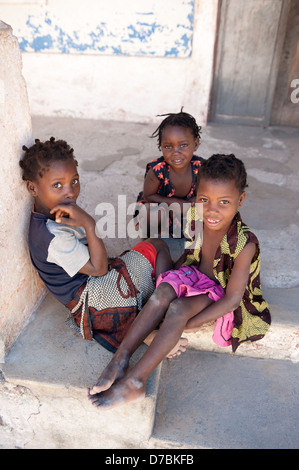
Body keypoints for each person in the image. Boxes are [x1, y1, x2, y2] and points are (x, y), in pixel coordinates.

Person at [88, 154, 271, 409]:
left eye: (224, 202)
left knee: (177, 309)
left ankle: (136, 382)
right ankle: (119, 359)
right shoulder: (197, 217)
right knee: (162, 293)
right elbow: (189, 254)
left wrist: (184, 324)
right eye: (205, 200)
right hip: (195, 276)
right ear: (197, 195)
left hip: (219, 291)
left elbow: (231, 300)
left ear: (240, 200)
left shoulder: (244, 244)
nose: (212, 210)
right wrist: (171, 282)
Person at [19, 137, 189, 355]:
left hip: (94, 281)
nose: (70, 191)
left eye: (74, 181)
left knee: (155, 248)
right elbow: (99, 270)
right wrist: (89, 225)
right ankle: (152, 323)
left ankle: (159, 305)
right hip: (92, 299)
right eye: (57, 185)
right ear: (32, 187)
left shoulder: (53, 214)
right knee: (156, 249)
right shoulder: (52, 236)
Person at [134, 109, 204, 238]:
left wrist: (191, 204)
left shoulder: (201, 168)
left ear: (195, 144)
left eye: (183, 145)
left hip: (187, 210)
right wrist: (174, 204)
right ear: (161, 146)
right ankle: (149, 242)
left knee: (212, 209)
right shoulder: (157, 170)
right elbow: (148, 195)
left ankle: (187, 232)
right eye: (168, 147)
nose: (175, 152)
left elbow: (205, 194)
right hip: (163, 210)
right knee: (151, 212)